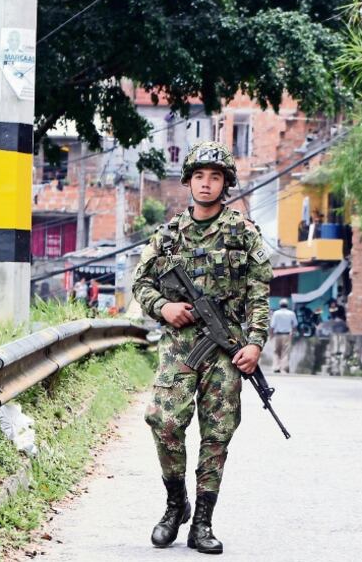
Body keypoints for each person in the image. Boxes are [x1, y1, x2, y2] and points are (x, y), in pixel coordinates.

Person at [132, 141, 272, 554]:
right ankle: (176, 505)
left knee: (217, 434)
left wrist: (255, 343)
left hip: (225, 347)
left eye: (215, 177)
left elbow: (259, 296)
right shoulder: (169, 235)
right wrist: (164, 306)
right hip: (179, 346)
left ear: (225, 183)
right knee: (164, 421)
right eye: (199, 176)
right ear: (188, 182)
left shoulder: (244, 234)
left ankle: (203, 523)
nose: (206, 184)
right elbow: (141, 284)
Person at [269, 299, 298, 373]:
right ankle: (284, 368)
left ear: (280, 305)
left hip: (277, 335)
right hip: (287, 335)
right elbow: (295, 325)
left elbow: (272, 326)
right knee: (285, 352)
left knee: (276, 351)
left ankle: (276, 367)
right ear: (287, 305)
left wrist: (271, 335)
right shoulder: (291, 313)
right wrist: (293, 333)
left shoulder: (276, 313)